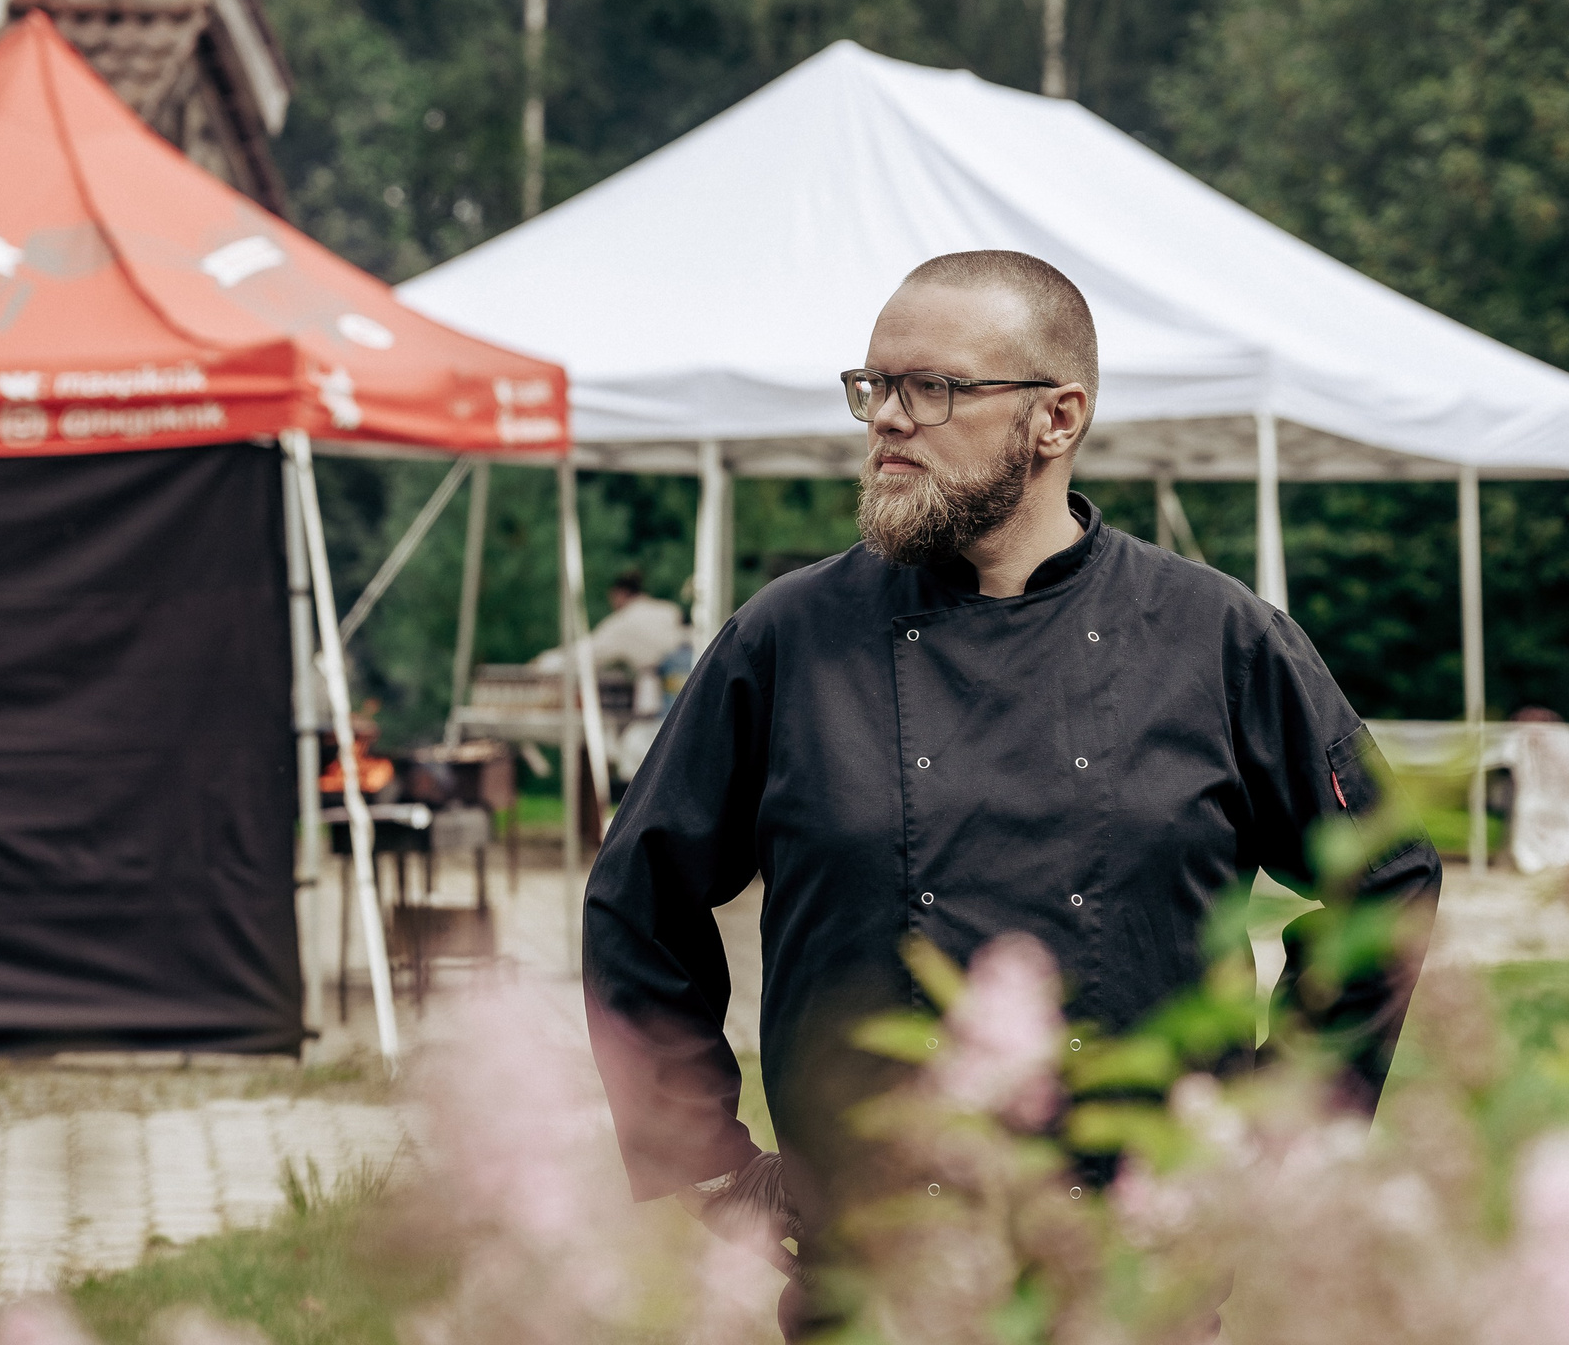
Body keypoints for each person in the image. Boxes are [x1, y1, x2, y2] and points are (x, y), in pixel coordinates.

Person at [581, 250, 1442, 1333]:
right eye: (874, 386)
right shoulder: (786, 638)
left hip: (1136, 1275)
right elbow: (636, 896)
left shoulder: (1211, 636)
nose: (888, 418)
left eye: (931, 388)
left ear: (1056, 417)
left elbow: (1387, 873)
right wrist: (700, 1159)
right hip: (868, 1271)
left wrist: (1271, 1138)